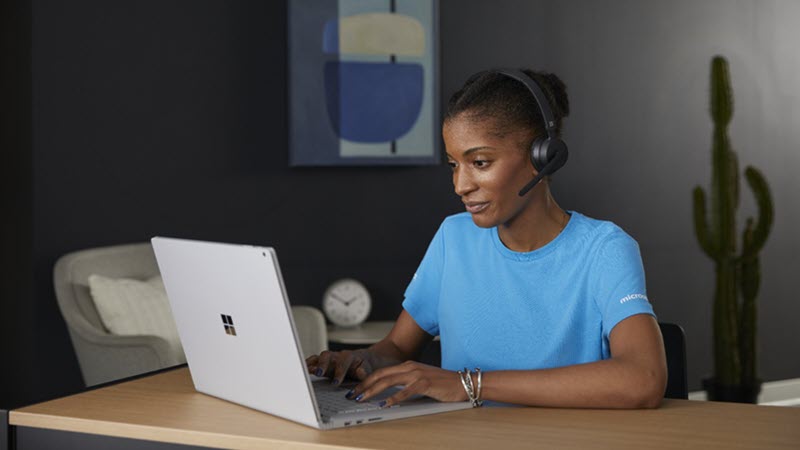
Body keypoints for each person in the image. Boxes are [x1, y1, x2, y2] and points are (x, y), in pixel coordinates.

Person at [306, 68, 667, 409]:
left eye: (479, 162)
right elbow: (398, 346)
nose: (460, 185)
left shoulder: (603, 249)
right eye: (453, 165)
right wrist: (360, 360)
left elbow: (643, 378)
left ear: (544, 157)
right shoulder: (454, 237)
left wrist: (470, 384)